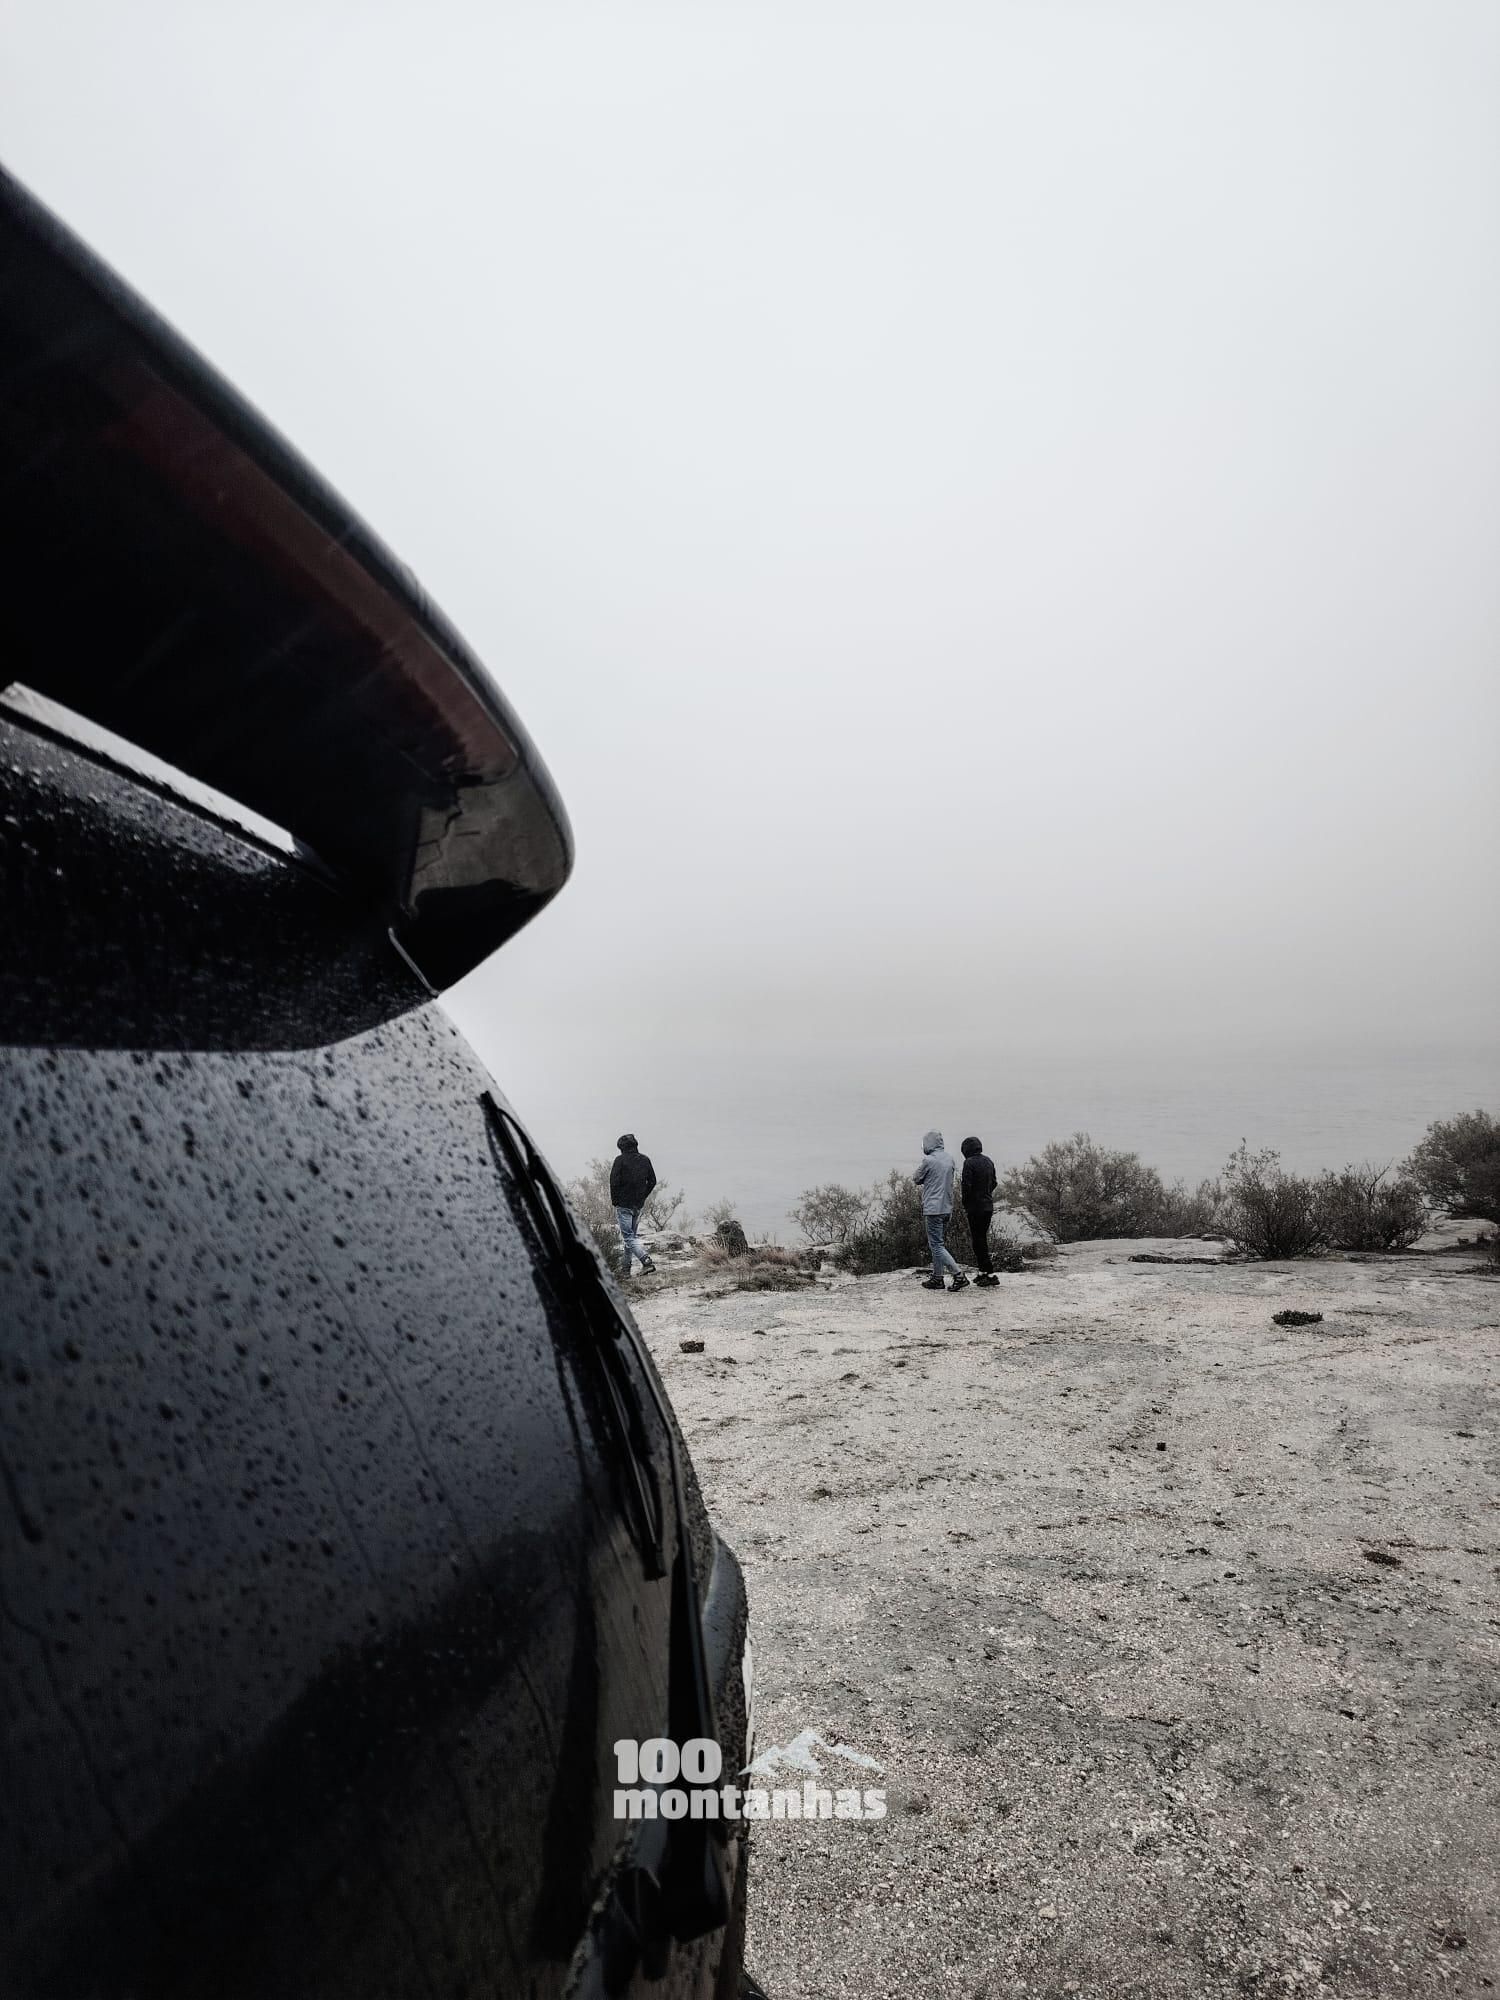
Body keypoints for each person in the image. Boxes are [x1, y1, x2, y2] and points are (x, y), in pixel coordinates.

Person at [914, 1129, 969, 1292]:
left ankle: (958, 1275)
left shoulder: (928, 1160)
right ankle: (937, 1278)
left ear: (928, 1143)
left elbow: (916, 1178)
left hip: (933, 1208)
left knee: (936, 1245)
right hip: (947, 1207)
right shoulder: (950, 1159)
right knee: (937, 1244)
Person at [609, 1133, 657, 1276]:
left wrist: (615, 1201)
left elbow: (613, 1183)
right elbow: (652, 1181)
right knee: (630, 1238)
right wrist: (642, 1196)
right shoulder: (645, 1159)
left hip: (624, 1205)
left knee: (628, 1238)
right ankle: (625, 1270)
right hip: (638, 1205)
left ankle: (646, 1261)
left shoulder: (620, 1160)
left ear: (621, 1148)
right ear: (635, 1145)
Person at [961, 1135, 1000, 1285]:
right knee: (981, 1239)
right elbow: (994, 1182)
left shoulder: (968, 1163)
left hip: (975, 1207)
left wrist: (966, 1202)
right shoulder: (988, 1161)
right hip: (987, 1206)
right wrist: (986, 1193)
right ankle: (983, 1272)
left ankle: (990, 1274)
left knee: (978, 1241)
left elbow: (966, 1186)